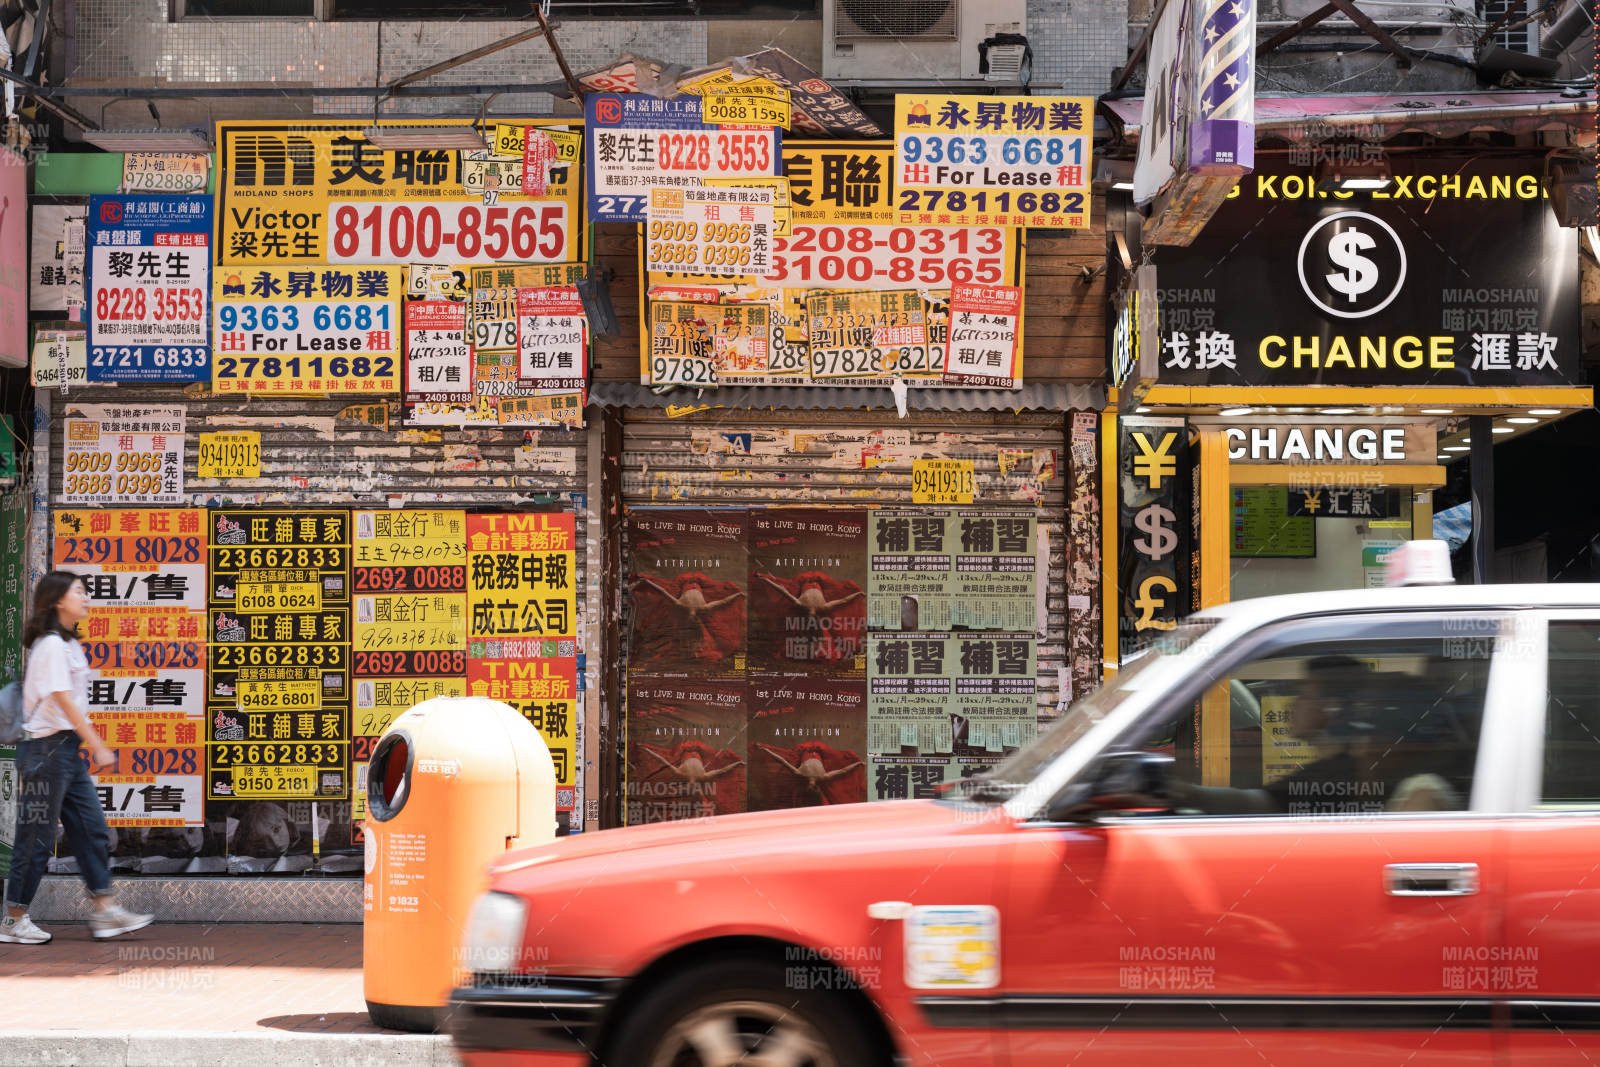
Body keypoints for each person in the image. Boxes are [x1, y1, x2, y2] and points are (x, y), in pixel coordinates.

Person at [1, 571, 154, 943]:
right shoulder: (51, 645)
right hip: (45, 752)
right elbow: (65, 701)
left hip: (64, 751)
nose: (86, 597)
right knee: (36, 838)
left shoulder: (68, 643)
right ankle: (13, 919)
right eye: (79, 592)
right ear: (58, 600)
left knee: (91, 829)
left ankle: (104, 911)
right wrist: (97, 743)